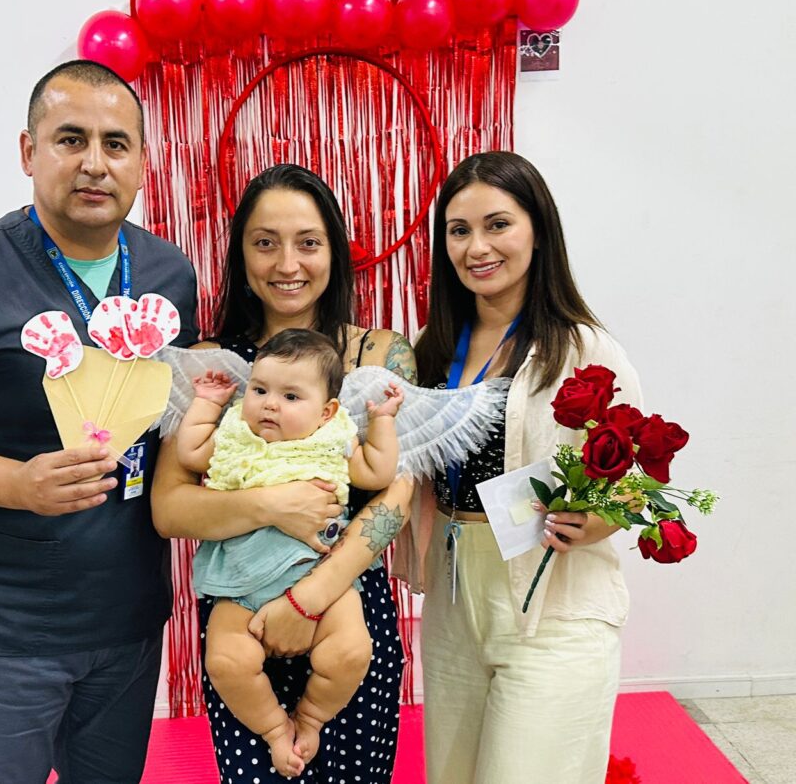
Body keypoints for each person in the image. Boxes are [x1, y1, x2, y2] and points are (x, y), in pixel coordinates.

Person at [0, 60, 198, 784]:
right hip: (6, 630)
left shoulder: (167, 275)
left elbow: (177, 414)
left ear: (143, 162)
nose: (94, 163)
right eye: (70, 139)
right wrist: (19, 485)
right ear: (29, 151)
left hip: (127, 617)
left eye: (116, 144)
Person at [152, 163, 416, 783]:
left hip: (346, 610)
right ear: (241, 255)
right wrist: (273, 506)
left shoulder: (379, 355)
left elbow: (397, 493)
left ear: (335, 252)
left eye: (308, 242)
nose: (287, 263)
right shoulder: (210, 368)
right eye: (265, 242)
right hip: (240, 613)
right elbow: (169, 509)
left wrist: (309, 598)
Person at [397, 151, 641, 783]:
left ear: (538, 229)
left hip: (553, 600)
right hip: (453, 592)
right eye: (459, 230)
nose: (477, 247)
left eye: (498, 224)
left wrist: (598, 519)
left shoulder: (585, 347)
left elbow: (639, 478)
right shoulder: (431, 347)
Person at [179, 329, 403, 777]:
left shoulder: (333, 439)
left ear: (326, 412)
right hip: (240, 580)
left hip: (323, 578)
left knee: (351, 652)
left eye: (291, 396)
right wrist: (206, 404)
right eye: (259, 390)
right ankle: (276, 731)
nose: (270, 405)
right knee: (225, 661)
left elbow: (380, 474)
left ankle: (311, 718)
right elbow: (191, 452)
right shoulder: (237, 433)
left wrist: (381, 421)